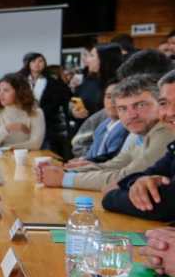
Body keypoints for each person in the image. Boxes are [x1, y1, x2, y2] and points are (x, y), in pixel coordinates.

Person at [38, 74, 175, 191]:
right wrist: (67, 171)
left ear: (160, 103)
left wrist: (64, 179)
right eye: (123, 108)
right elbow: (116, 164)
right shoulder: (138, 132)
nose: (131, 115)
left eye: (140, 105)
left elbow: (127, 176)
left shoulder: (166, 131)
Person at [102, 70, 175, 220]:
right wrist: (137, 183)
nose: (170, 112)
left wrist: (111, 196)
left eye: (140, 105)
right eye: (164, 103)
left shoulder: (163, 132)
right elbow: (146, 173)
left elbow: (164, 205)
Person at [20, 52, 73, 159]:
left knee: (45, 153)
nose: (37, 64)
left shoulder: (52, 81)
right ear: (28, 64)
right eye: (33, 61)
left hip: (47, 123)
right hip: (24, 122)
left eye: (40, 61)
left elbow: (63, 99)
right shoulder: (21, 80)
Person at [0, 73, 45, 150]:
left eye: (6, 90)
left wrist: (6, 148)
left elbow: (35, 145)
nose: (0, 94)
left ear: (19, 92)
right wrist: (8, 127)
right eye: (0, 90)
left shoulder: (36, 113)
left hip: (28, 157)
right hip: (2, 157)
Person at [69, 43, 122, 119]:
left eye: (92, 56)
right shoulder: (88, 79)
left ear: (104, 59)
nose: (87, 60)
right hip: (84, 125)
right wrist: (74, 111)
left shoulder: (119, 84)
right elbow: (74, 100)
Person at [70, 82, 120, 159]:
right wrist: (86, 159)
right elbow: (78, 144)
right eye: (108, 97)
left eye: (117, 96)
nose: (112, 102)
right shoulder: (98, 119)